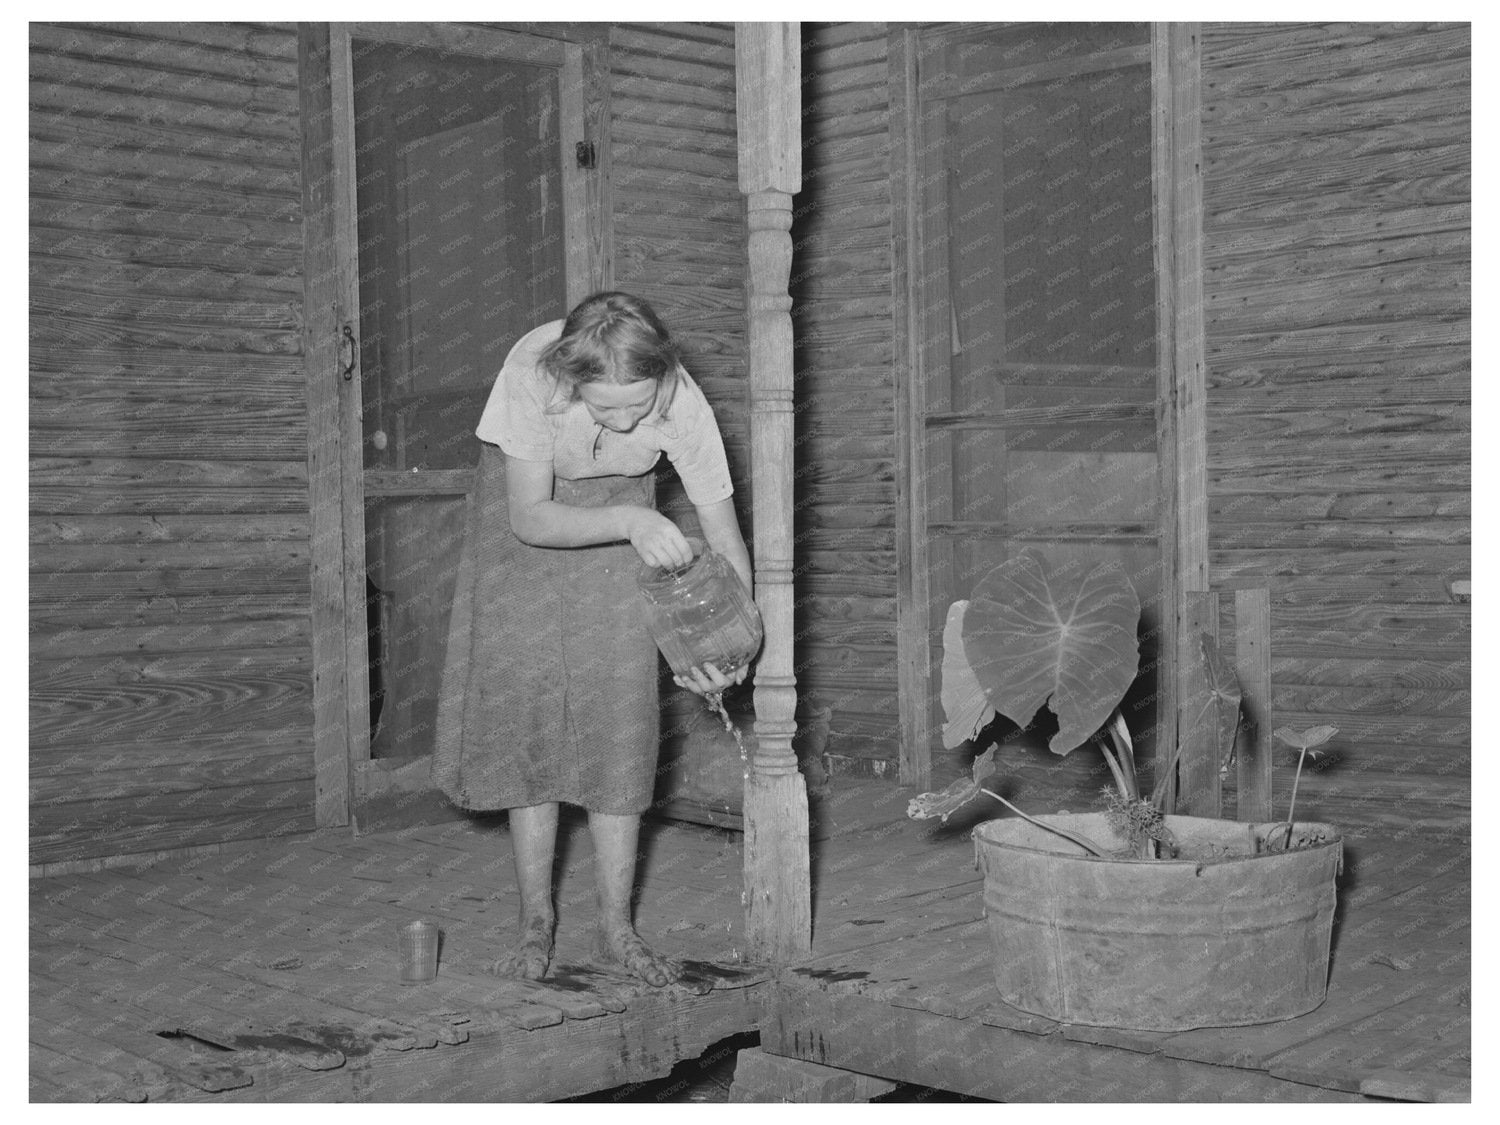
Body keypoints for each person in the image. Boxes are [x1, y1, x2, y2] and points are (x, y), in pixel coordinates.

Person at [433, 291, 753, 987]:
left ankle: (617, 928)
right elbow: (531, 517)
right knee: (535, 715)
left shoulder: (681, 400)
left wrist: (727, 645)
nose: (629, 419)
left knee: (619, 716)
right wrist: (631, 522)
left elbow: (723, 536)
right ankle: (534, 924)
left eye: (640, 403)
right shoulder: (531, 372)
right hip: (531, 523)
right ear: (572, 382)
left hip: (624, 516)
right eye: (606, 408)